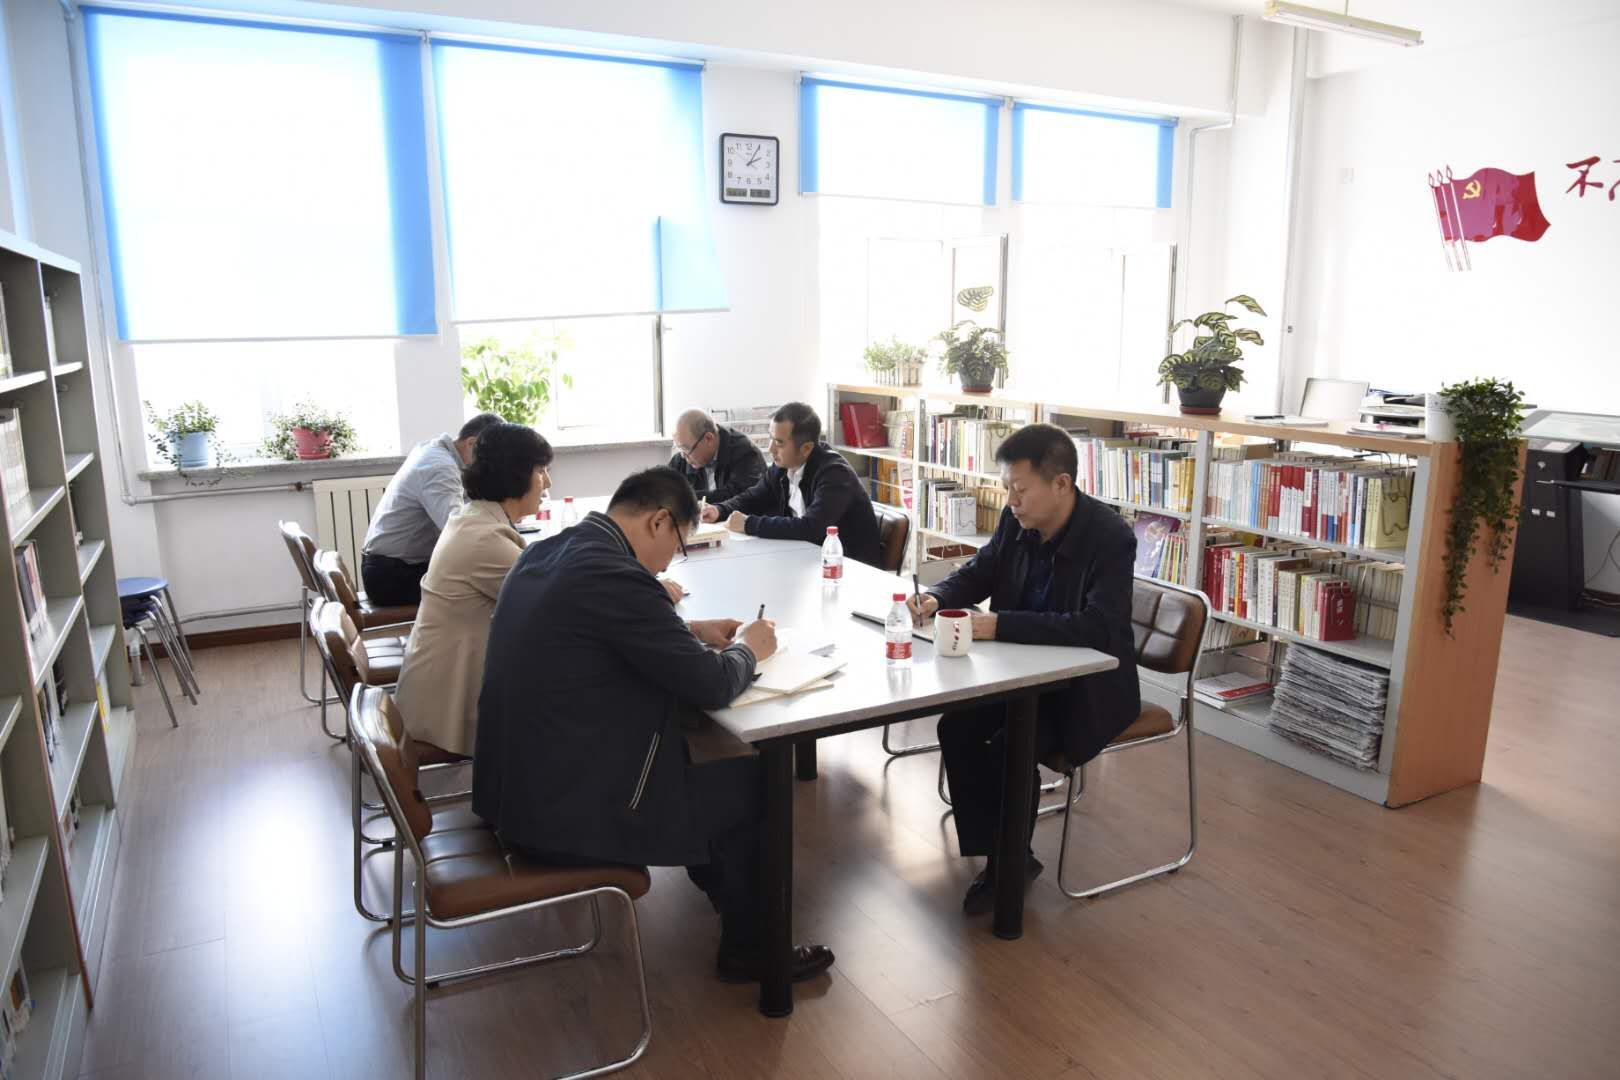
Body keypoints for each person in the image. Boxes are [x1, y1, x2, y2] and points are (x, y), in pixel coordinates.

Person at [473, 466, 835, 983]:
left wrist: (690, 629)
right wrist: (748, 649)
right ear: (659, 521)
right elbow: (711, 683)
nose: (671, 561)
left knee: (706, 762)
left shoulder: (552, 551)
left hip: (512, 789)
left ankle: (736, 907)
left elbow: (598, 634)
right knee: (748, 783)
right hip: (558, 814)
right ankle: (755, 949)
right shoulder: (617, 576)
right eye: (679, 545)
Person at [906, 423, 1139, 916]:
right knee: (957, 726)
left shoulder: (1110, 537)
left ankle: (1006, 868)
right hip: (1018, 673)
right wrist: (938, 596)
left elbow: (1098, 627)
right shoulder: (1017, 520)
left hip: (1085, 687)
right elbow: (982, 570)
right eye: (1007, 489)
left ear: (1062, 484)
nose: (1011, 501)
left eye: (1020, 489)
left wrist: (999, 626)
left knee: (1009, 742)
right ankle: (1004, 852)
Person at [394, 423, 552, 759]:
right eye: (541, 471)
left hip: (440, 680)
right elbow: (557, 601)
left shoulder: (475, 518)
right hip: (445, 702)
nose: (547, 483)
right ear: (516, 475)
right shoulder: (484, 538)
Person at [700, 402, 881, 567]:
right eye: (771, 438)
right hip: (805, 558)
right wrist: (719, 510)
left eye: (779, 443)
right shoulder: (783, 466)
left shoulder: (835, 474)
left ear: (806, 448)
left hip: (849, 568)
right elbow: (753, 497)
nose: (770, 449)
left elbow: (811, 527)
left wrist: (749, 524)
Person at [361, 412, 504, 606]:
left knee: (487, 577)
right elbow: (459, 532)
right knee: (487, 586)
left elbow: (467, 507)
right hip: (392, 576)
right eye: (492, 458)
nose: (492, 466)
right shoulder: (440, 467)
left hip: (390, 567)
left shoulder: (433, 450)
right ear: (472, 443)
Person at [668, 409, 766, 505]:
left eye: (686, 449)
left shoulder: (745, 452)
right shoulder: (682, 459)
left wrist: (687, 498)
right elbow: (667, 491)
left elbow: (739, 497)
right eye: (679, 449)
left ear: (708, 438)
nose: (683, 456)